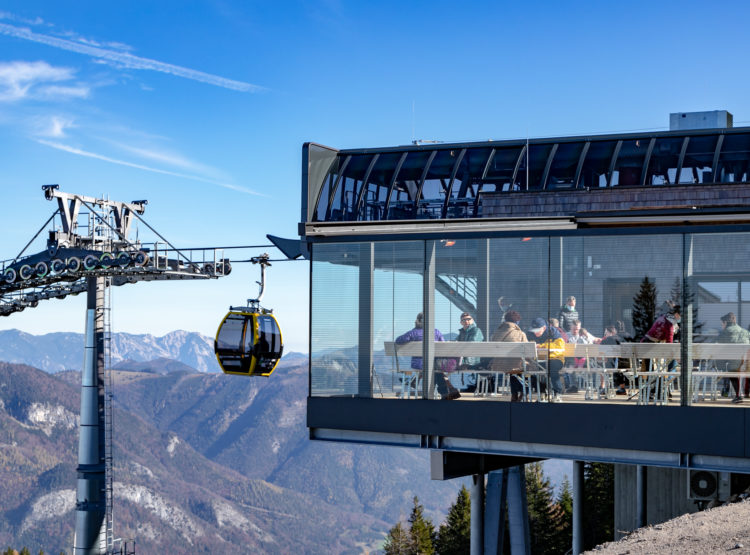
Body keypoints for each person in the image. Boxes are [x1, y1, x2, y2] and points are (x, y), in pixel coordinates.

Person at [395, 312, 460, 400]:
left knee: (434, 370)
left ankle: (420, 386)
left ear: (418, 321)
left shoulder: (413, 333)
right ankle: (444, 393)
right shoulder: (436, 332)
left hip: (418, 364)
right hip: (435, 363)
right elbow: (443, 346)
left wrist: (415, 328)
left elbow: (398, 340)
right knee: (436, 370)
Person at [490, 310, 528, 402]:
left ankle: (514, 395)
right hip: (514, 365)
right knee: (524, 367)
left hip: (498, 364)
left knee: (513, 369)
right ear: (517, 322)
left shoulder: (496, 333)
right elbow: (527, 351)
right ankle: (524, 393)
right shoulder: (520, 333)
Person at [526, 317, 565, 402]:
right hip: (540, 360)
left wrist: (541, 346)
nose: (535, 332)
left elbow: (560, 347)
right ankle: (542, 393)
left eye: (537, 330)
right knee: (532, 370)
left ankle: (557, 394)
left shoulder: (554, 333)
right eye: (533, 330)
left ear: (544, 328)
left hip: (555, 358)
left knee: (552, 368)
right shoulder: (530, 334)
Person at [716, 312, 750, 404]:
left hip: (735, 365)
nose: (722, 326)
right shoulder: (745, 331)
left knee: (728, 369)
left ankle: (735, 394)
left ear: (726, 323)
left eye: (722, 324)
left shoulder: (724, 333)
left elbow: (716, 348)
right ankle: (740, 393)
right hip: (746, 363)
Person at [456, 312, 484, 392]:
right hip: (463, 360)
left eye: (468, 319)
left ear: (472, 320)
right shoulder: (462, 332)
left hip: (473, 361)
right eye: (464, 320)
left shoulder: (476, 330)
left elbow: (472, 343)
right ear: (461, 322)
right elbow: (456, 342)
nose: (466, 321)